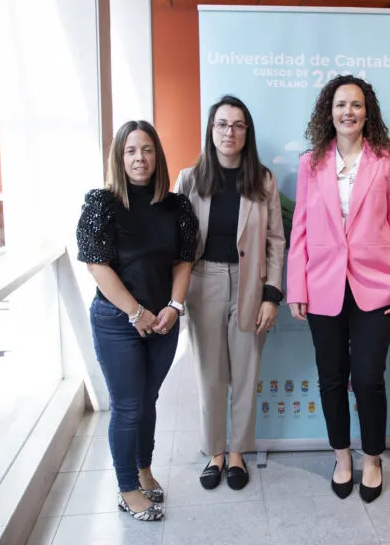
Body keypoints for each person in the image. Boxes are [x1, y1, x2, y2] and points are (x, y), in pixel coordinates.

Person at [287, 75, 390, 503]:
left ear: (367, 112)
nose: (348, 112)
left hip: (376, 284)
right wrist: (296, 286)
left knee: (368, 378)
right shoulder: (312, 163)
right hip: (322, 284)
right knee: (330, 378)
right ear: (330, 111)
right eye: (341, 104)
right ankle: (342, 457)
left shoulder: (387, 161)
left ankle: (373, 458)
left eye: (356, 105)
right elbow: (300, 230)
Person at [76, 120, 198, 521]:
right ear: (119, 157)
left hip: (163, 321)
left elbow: (184, 261)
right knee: (128, 407)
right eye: (130, 151)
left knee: (148, 400)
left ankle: (144, 469)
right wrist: (136, 312)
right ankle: (127, 488)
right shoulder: (102, 204)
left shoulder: (176, 205)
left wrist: (173, 308)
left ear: (157, 156)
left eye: (146, 149)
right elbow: (97, 267)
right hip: (117, 321)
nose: (139, 158)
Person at [174, 95, 285, 491]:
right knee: (210, 374)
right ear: (211, 129)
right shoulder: (190, 179)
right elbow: (178, 243)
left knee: (245, 372)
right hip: (203, 283)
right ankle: (214, 452)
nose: (230, 132)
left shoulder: (262, 180)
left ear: (247, 132)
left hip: (250, 284)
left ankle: (237, 452)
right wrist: (175, 294)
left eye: (238, 125)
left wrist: (272, 296)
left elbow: (275, 241)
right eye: (222, 124)